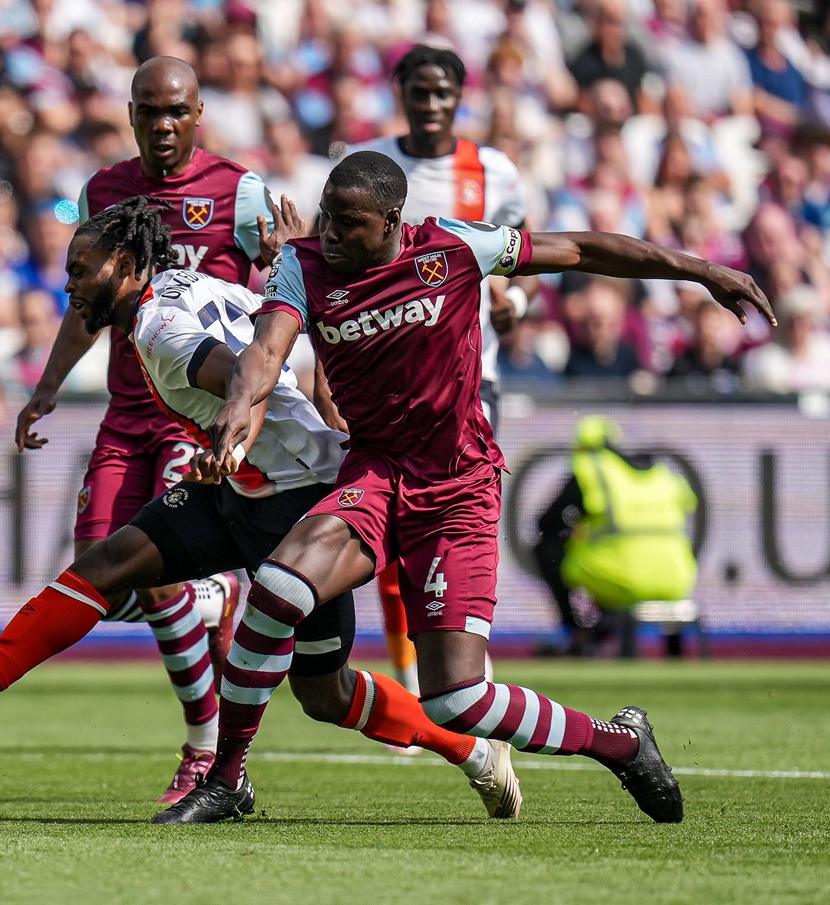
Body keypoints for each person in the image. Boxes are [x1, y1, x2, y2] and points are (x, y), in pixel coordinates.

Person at [156, 150, 775, 825]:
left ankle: (621, 742)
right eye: (327, 216)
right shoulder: (302, 265)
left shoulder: (454, 245)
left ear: (393, 221)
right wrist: (232, 425)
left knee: (457, 701)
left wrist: (704, 269)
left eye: (348, 223)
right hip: (377, 473)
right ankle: (225, 779)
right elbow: (264, 356)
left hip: (458, 487)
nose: (329, 232)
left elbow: (582, 249)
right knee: (276, 589)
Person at [0, 196, 521, 819]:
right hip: (242, 484)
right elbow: (284, 340)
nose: (69, 286)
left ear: (129, 266)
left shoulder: (159, 329)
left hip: (295, 501)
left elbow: (249, 371)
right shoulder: (191, 283)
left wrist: (239, 436)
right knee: (110, 562)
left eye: (81, 269)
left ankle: (468, 750)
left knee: (325, 692)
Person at [11, 56, 277, 804]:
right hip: (127, 412)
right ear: (130, 116)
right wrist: (48, 384)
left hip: (195, 412)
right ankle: (216, 608)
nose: (161, 126)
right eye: (147, 112)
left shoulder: (241, 192)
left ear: (198, 116)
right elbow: (87, 300)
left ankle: (204, 748)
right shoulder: (105, 191)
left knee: (155, 570)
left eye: (175, 113)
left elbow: (287, 294)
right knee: (97, 572)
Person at [342, 45, 532, 698]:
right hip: (388, 375)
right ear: (398, 92)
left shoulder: (494, 171)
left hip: (473, 378)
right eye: (417, 92)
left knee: (459, 528)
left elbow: (519, 264)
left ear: (459, 94)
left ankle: (467, 673)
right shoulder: (369, 167)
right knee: (391, 539)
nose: (429, 104)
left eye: (441, 92)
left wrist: (516, 304)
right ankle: (408, 680)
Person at [534, 416, 698, 658]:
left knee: (547, 550)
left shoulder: (592, 470)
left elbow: (545, 523)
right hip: (678, 580)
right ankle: (604, 630)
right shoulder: (662, 472)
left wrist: (578, 531)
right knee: (607, 556)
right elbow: (689, 505)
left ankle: (576, 631)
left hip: (622, 578)